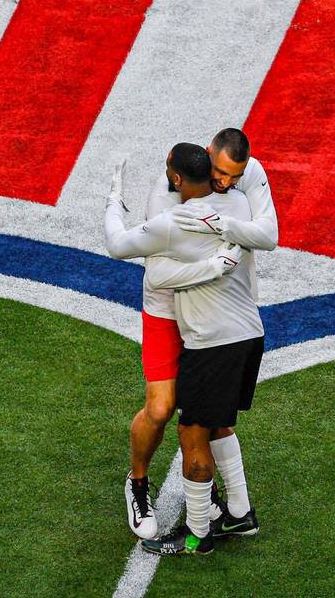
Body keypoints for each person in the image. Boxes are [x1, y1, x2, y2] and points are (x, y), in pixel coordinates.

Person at [105, 143, 268, 555]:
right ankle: (139, 482)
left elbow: (268, 234)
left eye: (232, 175)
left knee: (199, 426)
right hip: (179, 317)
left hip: (210, 329)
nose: (225, 181)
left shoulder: (232, 200)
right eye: (219, 173)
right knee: (162, 409)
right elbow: (157, 276)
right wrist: (214, 266)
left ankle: (205, 528)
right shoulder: (168, 203)